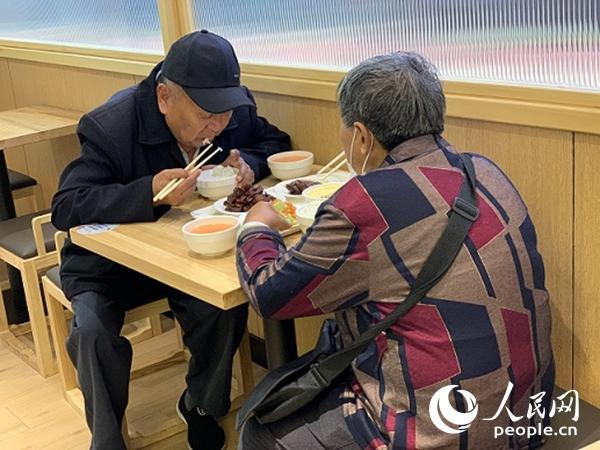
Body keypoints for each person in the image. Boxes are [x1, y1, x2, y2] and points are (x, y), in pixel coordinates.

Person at [235, 52, 554, 449]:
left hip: (445, 435)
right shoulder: (484, 171)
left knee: (260, 430)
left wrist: (255, 228)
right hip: (527, 414)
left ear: (362, 135)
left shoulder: (365, 201)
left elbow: (269, 295)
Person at [51, 30, 290, 450]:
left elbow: (273, 141)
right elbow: (67, 205)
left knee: (224, 306)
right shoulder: (111, 125)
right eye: (206, 115)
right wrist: (148, 191)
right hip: (109, 265)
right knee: (91, 332)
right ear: (164, 97)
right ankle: (106, 439)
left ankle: (200, 404)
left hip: (185, 254)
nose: (218, 125)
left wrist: (248, 164)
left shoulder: (231, 109)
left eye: (225, 115)